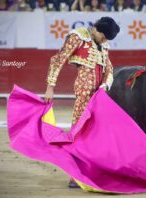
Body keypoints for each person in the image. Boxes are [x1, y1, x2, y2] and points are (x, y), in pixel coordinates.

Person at [44, 16, 120, 188]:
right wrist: (50, 87)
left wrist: (106, 86)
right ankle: (75, 175)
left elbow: (110, 70)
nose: (105, 40)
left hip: (100, 98)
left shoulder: (103, 45)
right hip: (84, 95)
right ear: (97, 29)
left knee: (98, 135)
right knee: (79, 133)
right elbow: (58, 60)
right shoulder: (78, 37)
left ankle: (93, 170)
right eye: (104, 36)